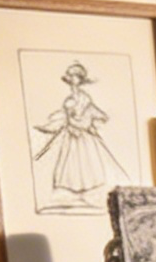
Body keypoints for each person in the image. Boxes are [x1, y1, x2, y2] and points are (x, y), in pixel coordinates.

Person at [30, 64, 127, 200]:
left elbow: (93, 112)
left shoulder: (85, 98)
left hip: (82, 133)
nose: (73, 80)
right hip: (72, 132)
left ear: (80, 80)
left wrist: (86, 122)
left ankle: (88, 188)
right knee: (71, 159)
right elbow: (66, 115)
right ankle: (70, 187)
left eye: (76, 77)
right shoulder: (70, 99)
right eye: (71, 77)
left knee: (85, 158)